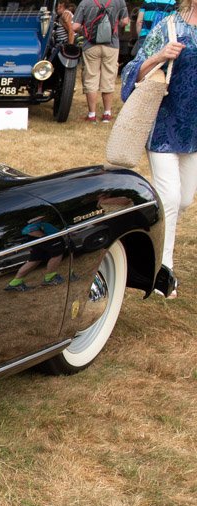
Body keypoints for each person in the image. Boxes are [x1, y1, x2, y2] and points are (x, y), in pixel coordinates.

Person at [121, 6, 195, 297]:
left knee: (185, 199)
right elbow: (133, 70)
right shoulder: (169, 26)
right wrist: (161, 56)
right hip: (164, 126)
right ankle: (162, 274)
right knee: (171, 198)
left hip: (194, 132)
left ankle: (144, 219)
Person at [73, 0, 129, 122]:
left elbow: (75, 26)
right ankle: (107, 114)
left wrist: (85, 31)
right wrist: (113, 27)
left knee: (91, 78)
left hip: (90, 45)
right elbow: (125, 21)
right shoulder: (119, 1)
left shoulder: (85, 2)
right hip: (112, 45)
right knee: (108, 78)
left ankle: (92, 115)